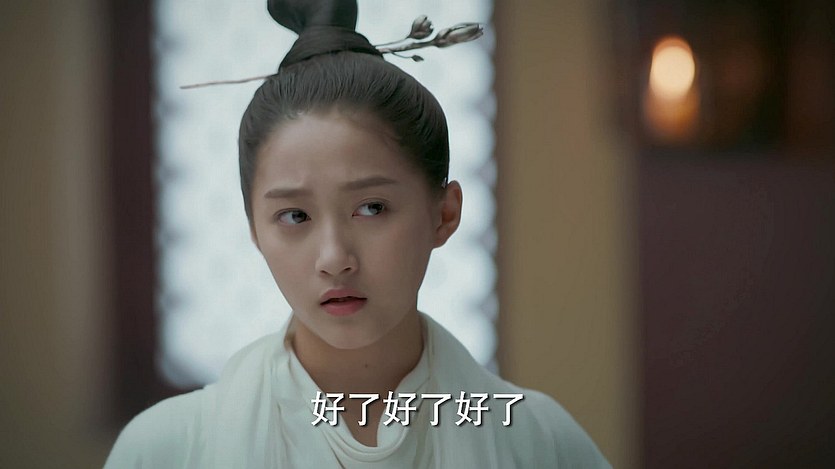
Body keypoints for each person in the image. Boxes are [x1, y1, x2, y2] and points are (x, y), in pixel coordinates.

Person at [105, 0, 611, 467]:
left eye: (372, 208)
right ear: (254, 229)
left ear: (444, 213)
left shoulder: (540, 442)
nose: (334, 258)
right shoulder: (167, 449)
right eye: (294, 216)